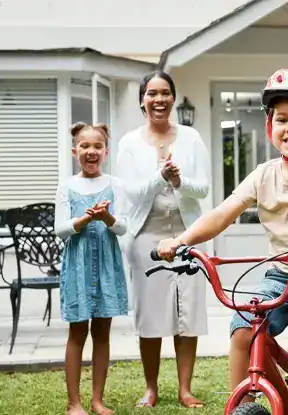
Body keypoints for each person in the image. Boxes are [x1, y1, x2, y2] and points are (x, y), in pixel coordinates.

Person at [155, 66, 288, 415]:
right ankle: (248, 400)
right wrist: (181, 240)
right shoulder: (263, 175)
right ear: (271, 126)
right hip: (280, 275)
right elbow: (222, 214)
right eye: (283, 119)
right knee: (244, 329)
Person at [113, 70, 212, 409]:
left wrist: (180, 180)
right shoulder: (129, 143)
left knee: (187, 313)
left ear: (173, 97)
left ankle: (185, 389)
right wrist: (160, 178)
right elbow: (130, 193)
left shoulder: (191, 138)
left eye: (165, 93)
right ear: (143, 99)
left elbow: (203, 188)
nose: (159, 99)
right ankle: (151, 388)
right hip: (147, 237)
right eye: (152, 93)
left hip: (187, 234)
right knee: (150, 315)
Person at [53, 122, 129, 415]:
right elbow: (60, 230)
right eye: (84, 146)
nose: (91, 151)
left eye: (97, 146)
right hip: (78, 267)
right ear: (75, 151)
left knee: (102, 334)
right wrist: (83, 221)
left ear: (105, 151)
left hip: (107, 267)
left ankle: (97, 400)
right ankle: (74, 403)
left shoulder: (115, 185)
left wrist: (107, 217)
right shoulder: (67, 186)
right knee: (77, 333)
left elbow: (123, 228)